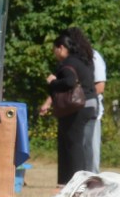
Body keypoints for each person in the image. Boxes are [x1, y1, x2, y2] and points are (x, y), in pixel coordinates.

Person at [39, 28, 97, 185]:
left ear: (62, 48)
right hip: (91, 105)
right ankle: (86, 178)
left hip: (77, 108)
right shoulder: (86, 60)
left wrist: (52, 81)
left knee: (73, 144)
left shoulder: (68, 63)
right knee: (85, 145)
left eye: (55, 50)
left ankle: (75, 182)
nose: (55, 54)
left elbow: (69, 81)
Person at [88, 48, 106, 172]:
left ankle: (93, 178)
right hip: (73, 110)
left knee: (92, 150)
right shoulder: (71, 58)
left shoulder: (93, 56)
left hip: (90, 111)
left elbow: (100, 87)